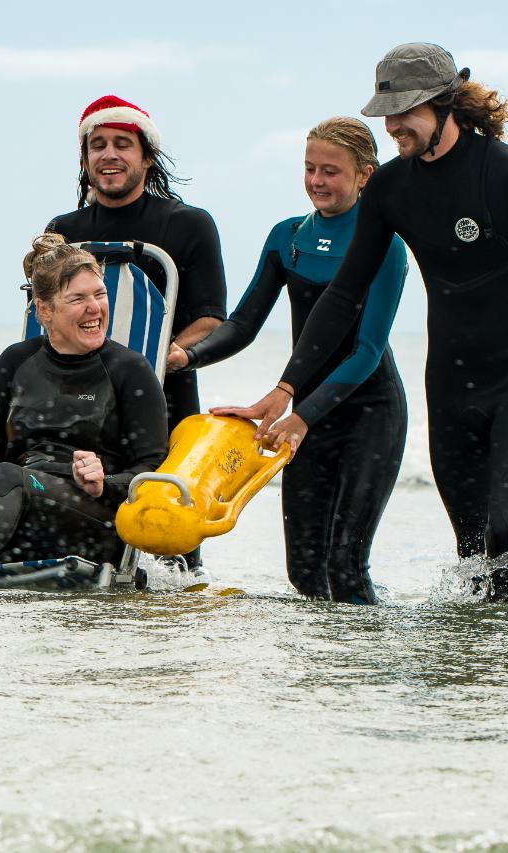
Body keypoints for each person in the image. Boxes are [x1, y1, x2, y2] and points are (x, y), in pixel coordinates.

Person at [224, 43, 508, 602]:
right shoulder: (391, 188)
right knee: (468, 546)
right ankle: (472, 670)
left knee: (507, 530)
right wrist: (287, 387)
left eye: (405, 110)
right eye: (387, 112)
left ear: (446, 104)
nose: (393, 124)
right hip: (449, 380)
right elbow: (344, 295)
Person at [169, 118, 408, 604]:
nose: (317, 181)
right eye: (309, 168)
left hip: (368, 411)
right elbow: (243, 324)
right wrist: (185, 356)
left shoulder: (385, 246)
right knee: (303, 570)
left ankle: (362, 668)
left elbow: (367, 352)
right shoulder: (287, 237)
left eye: (331, 171)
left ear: (365, 175)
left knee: (345, 565)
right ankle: (320, 670)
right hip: (304, 416)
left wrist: (300, 413)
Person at [0, 234, 169, 569]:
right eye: (78, 299)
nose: (95, 308)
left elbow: (152, 468)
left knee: (7, 477)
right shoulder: (16, 361)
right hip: (16, 509)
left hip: (93, 520)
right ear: (44, 309)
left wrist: (104, 484)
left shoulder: (130, 369)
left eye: (100, 294)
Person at [46, 94, 228, 433]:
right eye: (97, 145)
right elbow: (46, 314)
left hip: (164, 401)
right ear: (85, 161)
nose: (109, 154)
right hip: (76, 402)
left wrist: (166, 356)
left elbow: (212, 319)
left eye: (123, 144)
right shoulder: (63, 231)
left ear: (147, 157)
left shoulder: (189, 224)